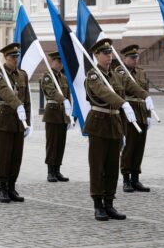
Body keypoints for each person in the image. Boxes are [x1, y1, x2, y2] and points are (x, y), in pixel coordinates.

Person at [84, 38, 150, 221]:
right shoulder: (93, 75)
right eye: (105, 53)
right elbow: (103, 93)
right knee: (98, 166)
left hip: (114, 124)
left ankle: (109, 202)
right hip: (98, 123)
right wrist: (123, 103)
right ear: (96, 55)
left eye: (110, 53)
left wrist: (145, 96)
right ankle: (98, 204)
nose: (109, 56)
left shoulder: (116, 75)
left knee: (112, 166)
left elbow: (130, 85)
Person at [0, 42, 31, 203]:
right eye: (12, 57)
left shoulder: (22, 75)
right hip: (5, 118)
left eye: (17, 56)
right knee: (5, 155)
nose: (15, 59)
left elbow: (27, 99)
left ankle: (12, 186)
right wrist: (18, 105)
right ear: (5, 58)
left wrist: (26, 119)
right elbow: (4, 92)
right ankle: (3, 188)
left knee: (16, 156)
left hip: (19, 121)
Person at [116, 45, 152, 192]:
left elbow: (146, 93)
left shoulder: (142, 72)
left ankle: (136, 178)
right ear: (124, 58)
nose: (135, 60)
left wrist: (149, 114)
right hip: (128, 113)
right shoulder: (119, 72)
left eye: (136, 57)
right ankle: (126, 179)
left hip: (142, 112)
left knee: (139, 147)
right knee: (129, 147)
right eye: (132, 57)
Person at [40, 51, 72, 182]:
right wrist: (63, 100)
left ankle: (57, 169)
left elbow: (68, 96)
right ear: (52, 61)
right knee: (52, 144)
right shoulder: (47, 77)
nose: (61, 65)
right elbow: (51, 92)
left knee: (60, 144)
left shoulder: (63, 78)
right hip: (52, 113)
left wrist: (69, 115)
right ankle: (50, 171)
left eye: (62, 62)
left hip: (62, 114)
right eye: (59, 62)